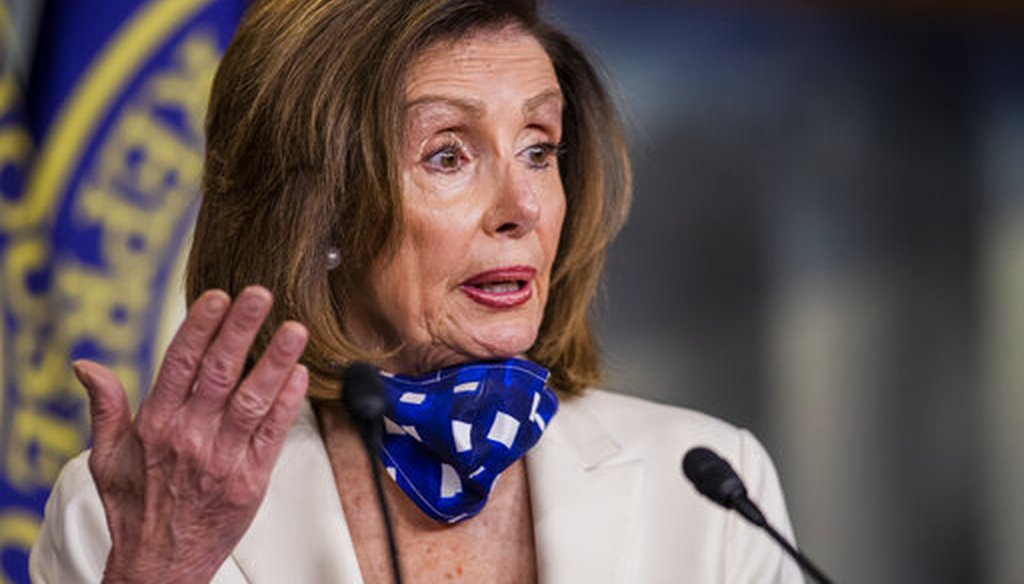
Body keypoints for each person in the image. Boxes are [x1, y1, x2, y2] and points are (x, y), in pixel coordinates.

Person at [30, 0, 803, 582]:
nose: (522, 208)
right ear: (318, 207)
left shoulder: (708, 485)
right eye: (447, 155)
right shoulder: (134, 510)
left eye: (540, 149)